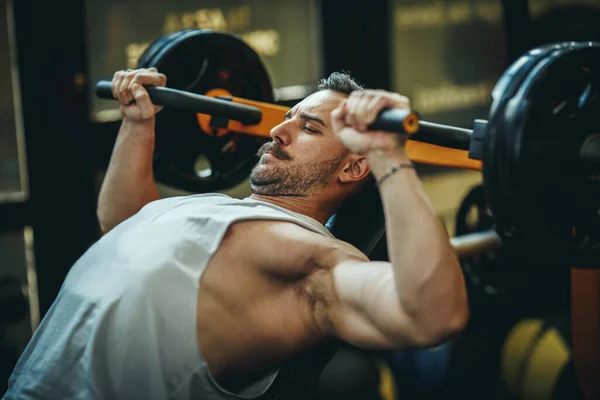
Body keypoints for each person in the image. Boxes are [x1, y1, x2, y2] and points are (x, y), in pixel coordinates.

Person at [4, 68, 468, 399]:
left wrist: (390, 157)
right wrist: (138, 123)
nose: (278, 131)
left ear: (354, 165)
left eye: (307, 127)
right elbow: (123, 223)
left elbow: (430, 315)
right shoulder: (210, 207)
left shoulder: (315, 261)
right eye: (287, 117)